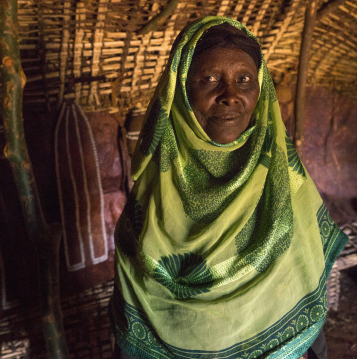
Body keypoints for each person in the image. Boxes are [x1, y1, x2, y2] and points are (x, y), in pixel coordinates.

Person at [109, 16, 348, 359]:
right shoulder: (152, 192)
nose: (230, 96)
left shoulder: (283, 179)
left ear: (260, 90)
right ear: (180, 90)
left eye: (244, 80)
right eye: (209, 79)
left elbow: (301, 292)